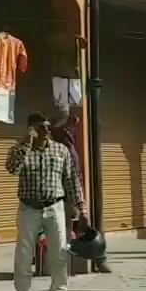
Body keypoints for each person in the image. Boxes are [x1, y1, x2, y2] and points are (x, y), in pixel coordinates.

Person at [6, 112, 87, 291]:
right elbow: (12, 169)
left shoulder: (61, 151)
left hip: (54, 207)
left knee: (58, 252)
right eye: (41, 127)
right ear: (31, 129)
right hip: (28, 208)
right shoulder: (19, 149)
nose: (46, 130)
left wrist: (81, 207)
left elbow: (71, 180)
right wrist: (26, 145)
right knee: (24, 254)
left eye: (47, 126)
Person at [49, 116, 112, 274]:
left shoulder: (66, 151)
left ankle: (91, 259)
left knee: (72, 231)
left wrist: (78, 204)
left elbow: (72, 180)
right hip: (60, 198)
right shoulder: (59, 149)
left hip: (67, 197)